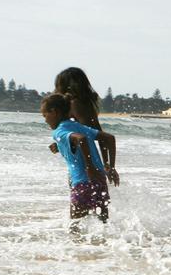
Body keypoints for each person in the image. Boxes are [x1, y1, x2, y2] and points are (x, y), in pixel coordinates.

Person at [41, 93, 119, 234]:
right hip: (99, 181)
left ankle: (79, 254)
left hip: (82, 183)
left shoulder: (59, 132)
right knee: (104, 226)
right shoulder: (77, 126)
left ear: (54, 112)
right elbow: (109, 138)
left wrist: (88, 167)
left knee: (74, 228)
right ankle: (105, 253)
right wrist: (111, 167)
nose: (45, 120)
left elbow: (81, 140)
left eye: (45, 115)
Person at [51, 67, 119, 185]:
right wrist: (107, 164)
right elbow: (99, 135)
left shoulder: (75, 105)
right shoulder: (85, 105)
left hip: (84, 166)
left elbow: (85, 137)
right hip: (88, 164)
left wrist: (98, 166)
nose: (55, 90)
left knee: (81, 198)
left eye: (58, 86)